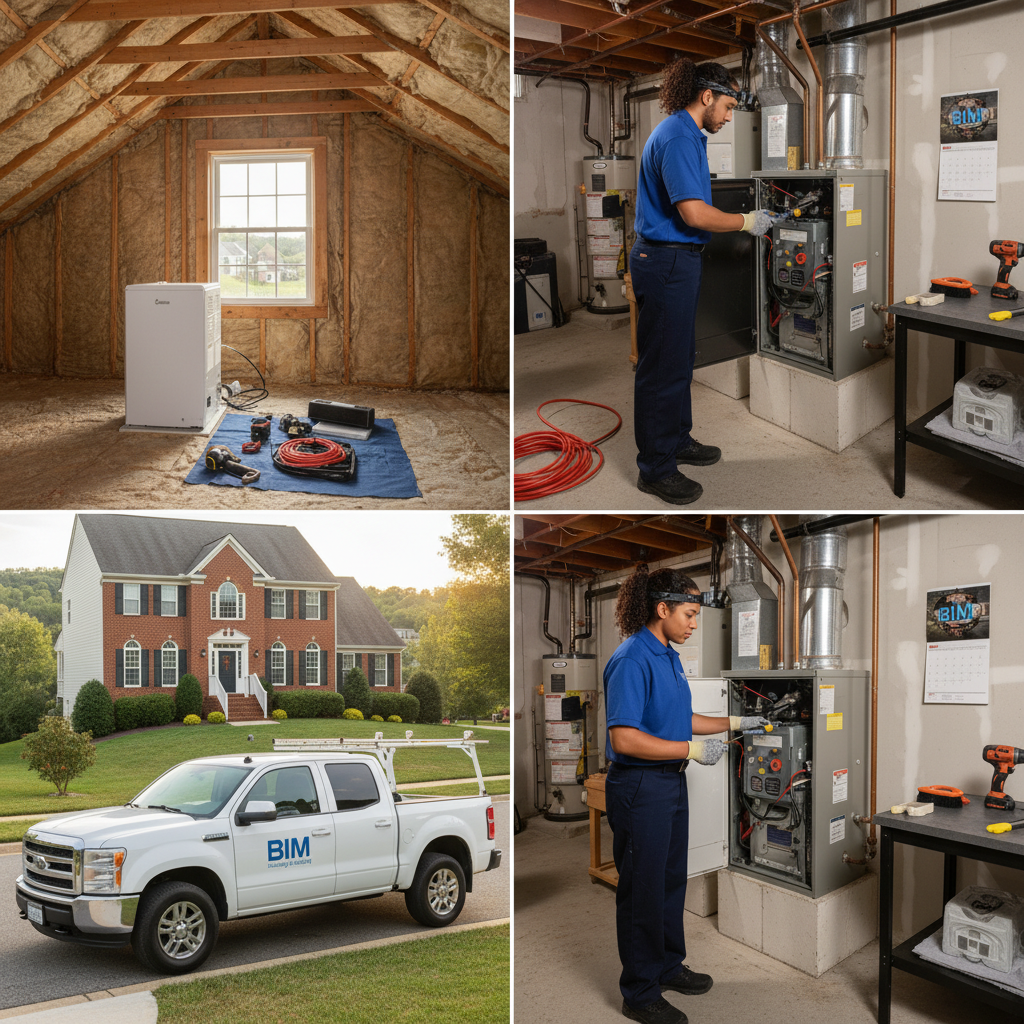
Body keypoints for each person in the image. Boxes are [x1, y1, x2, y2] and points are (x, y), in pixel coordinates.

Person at [603, 565, 768, 1024]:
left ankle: (668, 967)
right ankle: (639, 992)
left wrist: (738, 723)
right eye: (690, 614)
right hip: (640, 787)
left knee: (672, 880)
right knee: (642, 890)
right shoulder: (632, 658)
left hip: (670, 783)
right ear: (663, 609)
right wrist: (693, 750)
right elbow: (625, 739)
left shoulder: (667, 655)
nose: (695, 625)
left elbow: (683, 716)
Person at [630, 58, 776, 506]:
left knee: (680, 357)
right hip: (665, 261)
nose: (730, 117)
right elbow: (693, 214)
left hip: (677, 260)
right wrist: (746, 220)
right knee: (662, 366)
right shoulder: (676, 136)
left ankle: (677, 439)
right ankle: (655, 468)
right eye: (728, 107)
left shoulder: (687, 133)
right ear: (706, 96)